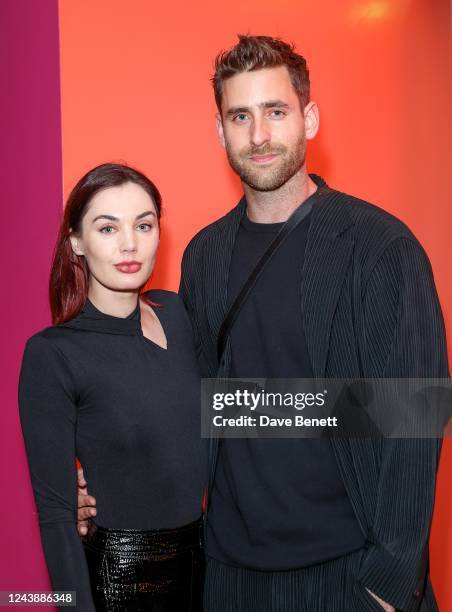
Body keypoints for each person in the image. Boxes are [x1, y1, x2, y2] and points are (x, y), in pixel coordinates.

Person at [78, 37, 449, 611]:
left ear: (309, 118)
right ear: (220, 131)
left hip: (349, 577)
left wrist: (390, 582)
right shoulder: (205, 255)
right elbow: (192, 404)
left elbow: (416, 415)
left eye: (275, 112)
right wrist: (97, 480)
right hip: (229, 577)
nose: (259, 136)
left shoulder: (381, 248)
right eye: (240, 116)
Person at [19, 163, 206, 611]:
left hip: (205, 570)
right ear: (76, 242)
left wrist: (377, 411)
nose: (129, 244)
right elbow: (57, 515)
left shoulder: (178, 313)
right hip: (119, 583)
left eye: (144, 225)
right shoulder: (53, 354)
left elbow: (226, 412)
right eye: (107, 228)